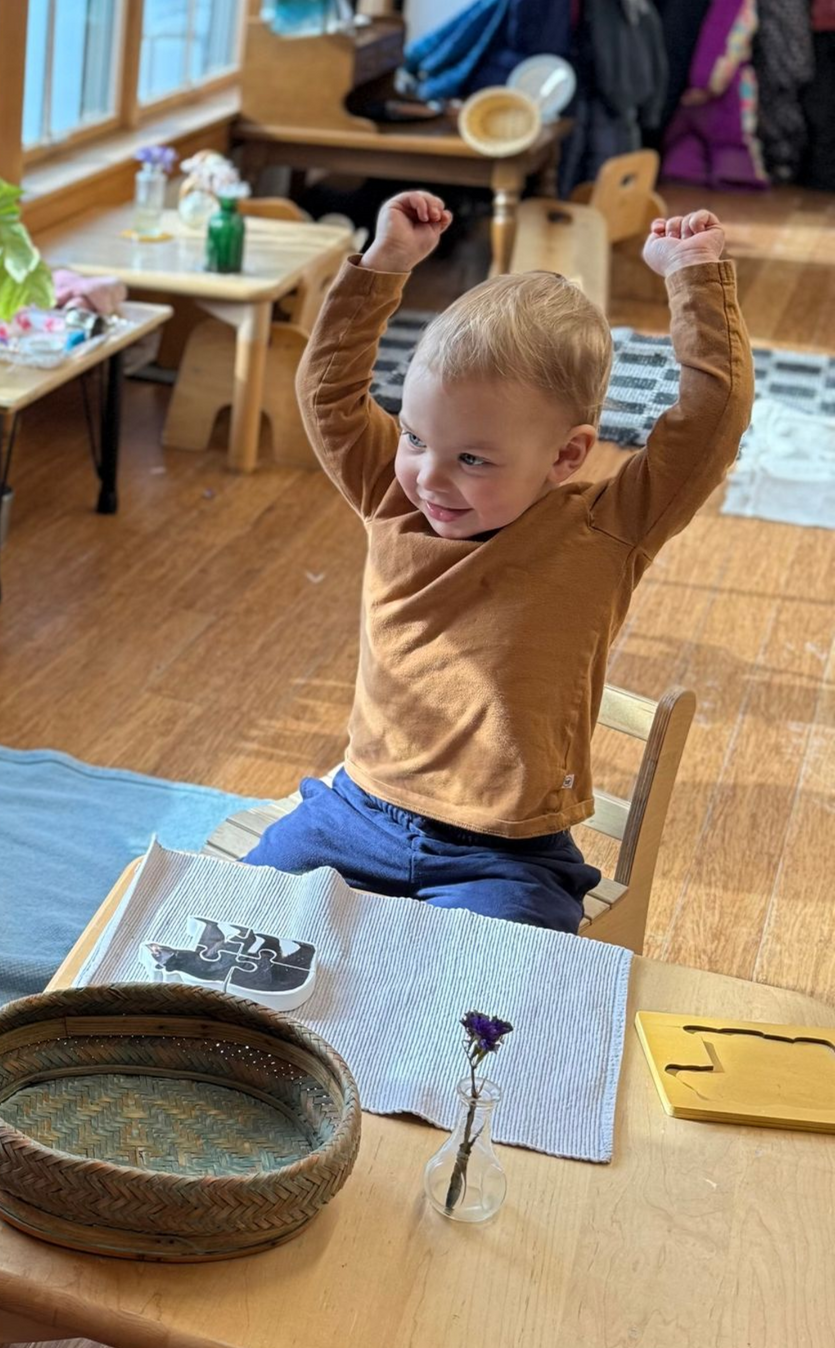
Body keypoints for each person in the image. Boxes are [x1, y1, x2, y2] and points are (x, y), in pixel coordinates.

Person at [247, 192, 753, 932]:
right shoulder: (391, 496)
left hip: (505, 856)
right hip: (354, 813)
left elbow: (712, 417)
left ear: (567, 455)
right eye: (416, 438)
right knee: (228, 919)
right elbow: (328, 390)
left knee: (501, 1009)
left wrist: (694, 277)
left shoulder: (606, 529)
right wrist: (385, 264)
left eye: (473, 459)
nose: (429, 477)